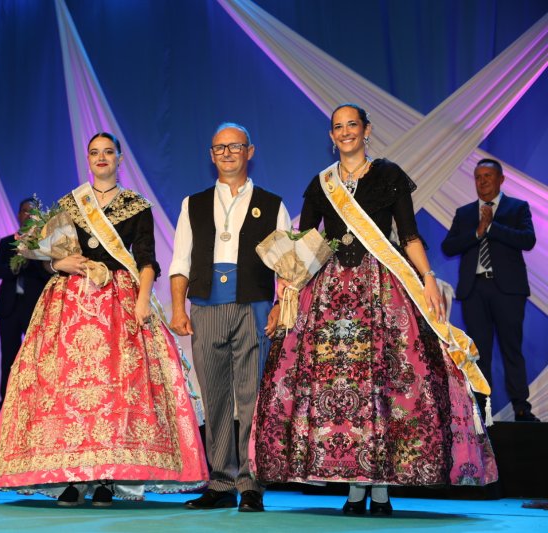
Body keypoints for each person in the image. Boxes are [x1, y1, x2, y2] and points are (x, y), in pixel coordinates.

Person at [251, 104, 497, 516]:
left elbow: (410, 234)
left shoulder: (389, 176)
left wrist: (428, 277)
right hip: (329, 297)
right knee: (339, 387)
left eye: (353, 125)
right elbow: (307, 245)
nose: (346, 132)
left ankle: (380, 489)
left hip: (381, 291)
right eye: (338, 127)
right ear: (331, 137)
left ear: (367, 130)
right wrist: (284, 300)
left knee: (381, 383)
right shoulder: (321, 184)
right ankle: (351, 485)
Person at [0, 132, 208, 506]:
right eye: (95, 153)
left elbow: (146, 259)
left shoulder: (136, 205)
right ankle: (69, 479)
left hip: (119, 300)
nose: (102, 157)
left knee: (115, 389)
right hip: (70, 300)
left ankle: (108, 478)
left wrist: (142, 299)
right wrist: (58, 262)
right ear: (87, 159)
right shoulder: (70, 204)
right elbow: (50, 256)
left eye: (109, 152)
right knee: (64, 389)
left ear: (120, 159)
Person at [168, 122, 291, 513]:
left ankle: (251, 483)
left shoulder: (272, 204)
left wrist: (278, 307)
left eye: (235, 147)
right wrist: (176, 307)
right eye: (219, 148)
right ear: (211, 155)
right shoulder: (194, 203)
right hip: (205, 306)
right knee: (216, 395)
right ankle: (220, 482)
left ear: (249, 152)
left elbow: (287, 267)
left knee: (251, 395)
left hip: (254, 305)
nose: (227, 154)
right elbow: (180, 260)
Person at [441, 158, 539, 422]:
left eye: (488, 176)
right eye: (478, 177)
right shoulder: (465, 214)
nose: (482, 182)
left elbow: (528, 240)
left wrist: (492, 228)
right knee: (478, 352)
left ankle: (521, 407)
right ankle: (481, 411)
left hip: (508, 290)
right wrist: (477, 232)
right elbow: (448, 247)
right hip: (475, 291)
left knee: (511, 350)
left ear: (501, 180)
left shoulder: (517, 208)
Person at [0, 198, 52, 401]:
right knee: (8, 357)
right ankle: (7, 401)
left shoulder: (45, 244)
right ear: (18, 214)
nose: (28, 216)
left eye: (33, 213)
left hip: (34, 308)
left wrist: (30, 258)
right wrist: (14, 266)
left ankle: (36, 400)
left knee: (37, 356)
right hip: (9, 308)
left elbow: (51, 275)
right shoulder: (7, 242)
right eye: (25, 211)